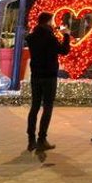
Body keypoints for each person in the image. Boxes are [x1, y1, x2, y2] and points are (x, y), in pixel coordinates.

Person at [25, 12, 71, 152]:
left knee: (34, 106)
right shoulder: (50, 37)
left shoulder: (32, 37)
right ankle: (42, 139)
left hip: (36, 75)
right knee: (47, 106)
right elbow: (63, 50)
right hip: (49, 76)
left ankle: (31, 140)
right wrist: (66, 35)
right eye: (52, 21)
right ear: (48, 21)